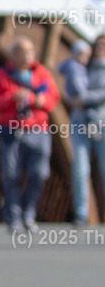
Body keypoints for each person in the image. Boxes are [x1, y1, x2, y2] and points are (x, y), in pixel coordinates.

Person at [0, 36, 60, 233]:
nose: (28, 55)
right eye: (23, 51)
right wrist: (12, 98)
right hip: (12, 130)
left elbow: (53, 99)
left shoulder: (41, 73)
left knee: (39, 173)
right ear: (13, 54)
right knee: (11, 175)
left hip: (38, 130)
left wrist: (34, 99)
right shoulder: (1, 75)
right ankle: (14, 217)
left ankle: (29, 213)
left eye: (31, 51)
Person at [64, 38, 104, 225]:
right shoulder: (82, 65)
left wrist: (85, 98)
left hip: (101, 123)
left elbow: (83, 96)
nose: (100, 49)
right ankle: (82, 213)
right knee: (80, 169)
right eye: (98, 45)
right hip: (81, 123)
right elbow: (70, 89)